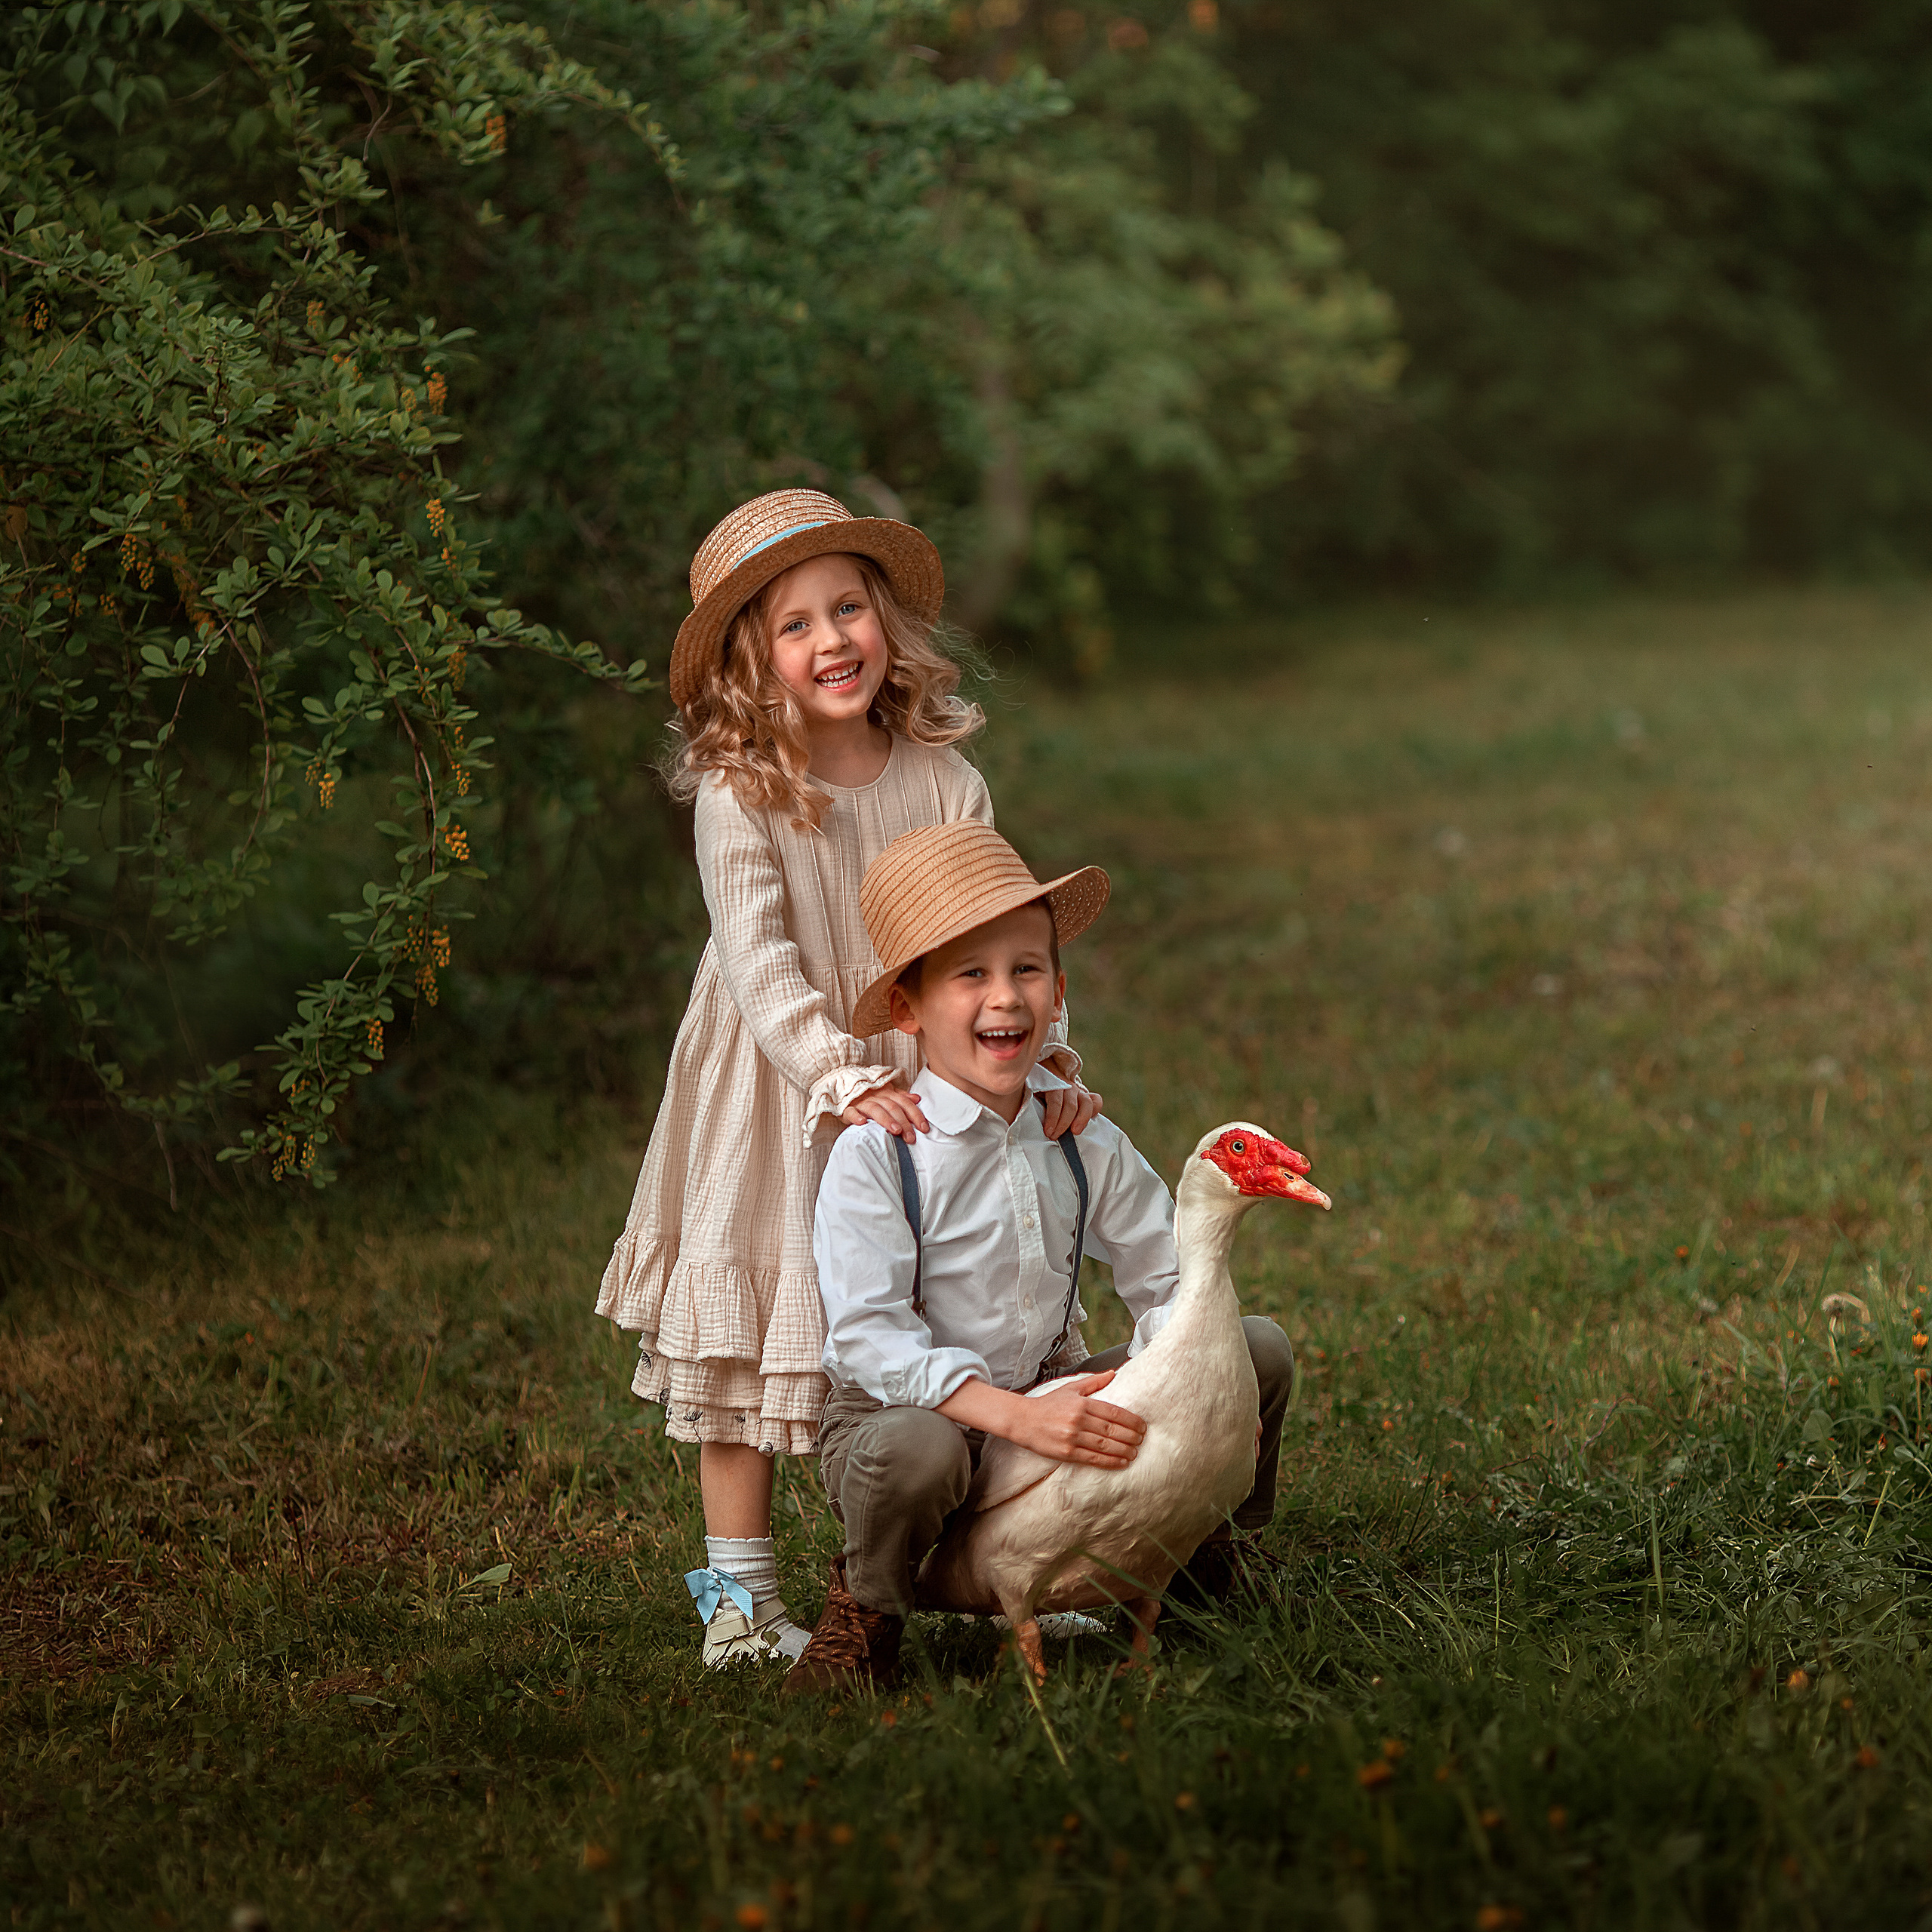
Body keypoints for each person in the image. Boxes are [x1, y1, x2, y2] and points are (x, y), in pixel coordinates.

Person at [595, 490, 1100, 1668]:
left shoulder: (942, 777)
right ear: (747, 663)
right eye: (793, 625)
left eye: (850, 609)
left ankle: (999, 1553)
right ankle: (737, 1599)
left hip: (927, 1065)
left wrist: (1050, 1062)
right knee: (769, 1331)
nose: (832, 642)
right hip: (780, 1083)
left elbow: (995, 937)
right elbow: (764, 961)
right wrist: (834, 1071)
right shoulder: (745, 790)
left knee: (962, 1303)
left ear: (889, 625)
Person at [785, 821, 1294, 1694]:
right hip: (908, 1415)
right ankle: (865, 1614)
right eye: (970, 975)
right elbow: (869, 1338)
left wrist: (1208, 1389)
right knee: (918, 1451)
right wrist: (1013, 1421)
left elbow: (1167, 1277)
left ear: (1058, 991)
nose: (1005, 1000)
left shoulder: (1076, 1135)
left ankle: (1200, 1553)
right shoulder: (878, 1153)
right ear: (908, 1008)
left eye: (1026, 970)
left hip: (1049, 1391)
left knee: (1256, 1350)